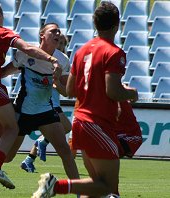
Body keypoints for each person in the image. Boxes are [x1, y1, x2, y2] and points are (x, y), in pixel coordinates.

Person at [0, 22, 79, 190]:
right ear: (42, 36)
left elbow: (66, 91)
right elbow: (1, 73)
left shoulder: (63, 60)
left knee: (65, 152)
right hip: (22, 113)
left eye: (59, 32)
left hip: (46, 111)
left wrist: (56, 80)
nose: (58, 34)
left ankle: (80, 192)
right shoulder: (25, 54)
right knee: (8, 157)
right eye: (53, 31)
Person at [32, 2, 138, 197]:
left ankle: (57, 186)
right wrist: (132, 94)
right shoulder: (114, 53)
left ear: (95, 24)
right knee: (107, 187)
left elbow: (71, 90)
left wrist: (57, 82)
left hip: (80, 122)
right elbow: (113, 91)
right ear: (117, 25)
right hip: (97, 123)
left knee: (98, 187)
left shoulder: (82, 51)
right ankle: (55, 186)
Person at [20, 33, 73, 172]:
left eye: (63, 44)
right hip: (47, 104)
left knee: (64, 129)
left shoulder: (63, 61)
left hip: (52, 102)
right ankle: (39, 144)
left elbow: (66, 88)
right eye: (59, 42)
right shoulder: (45, 58)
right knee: (66, 127)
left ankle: (29, 159)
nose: (61, 46)